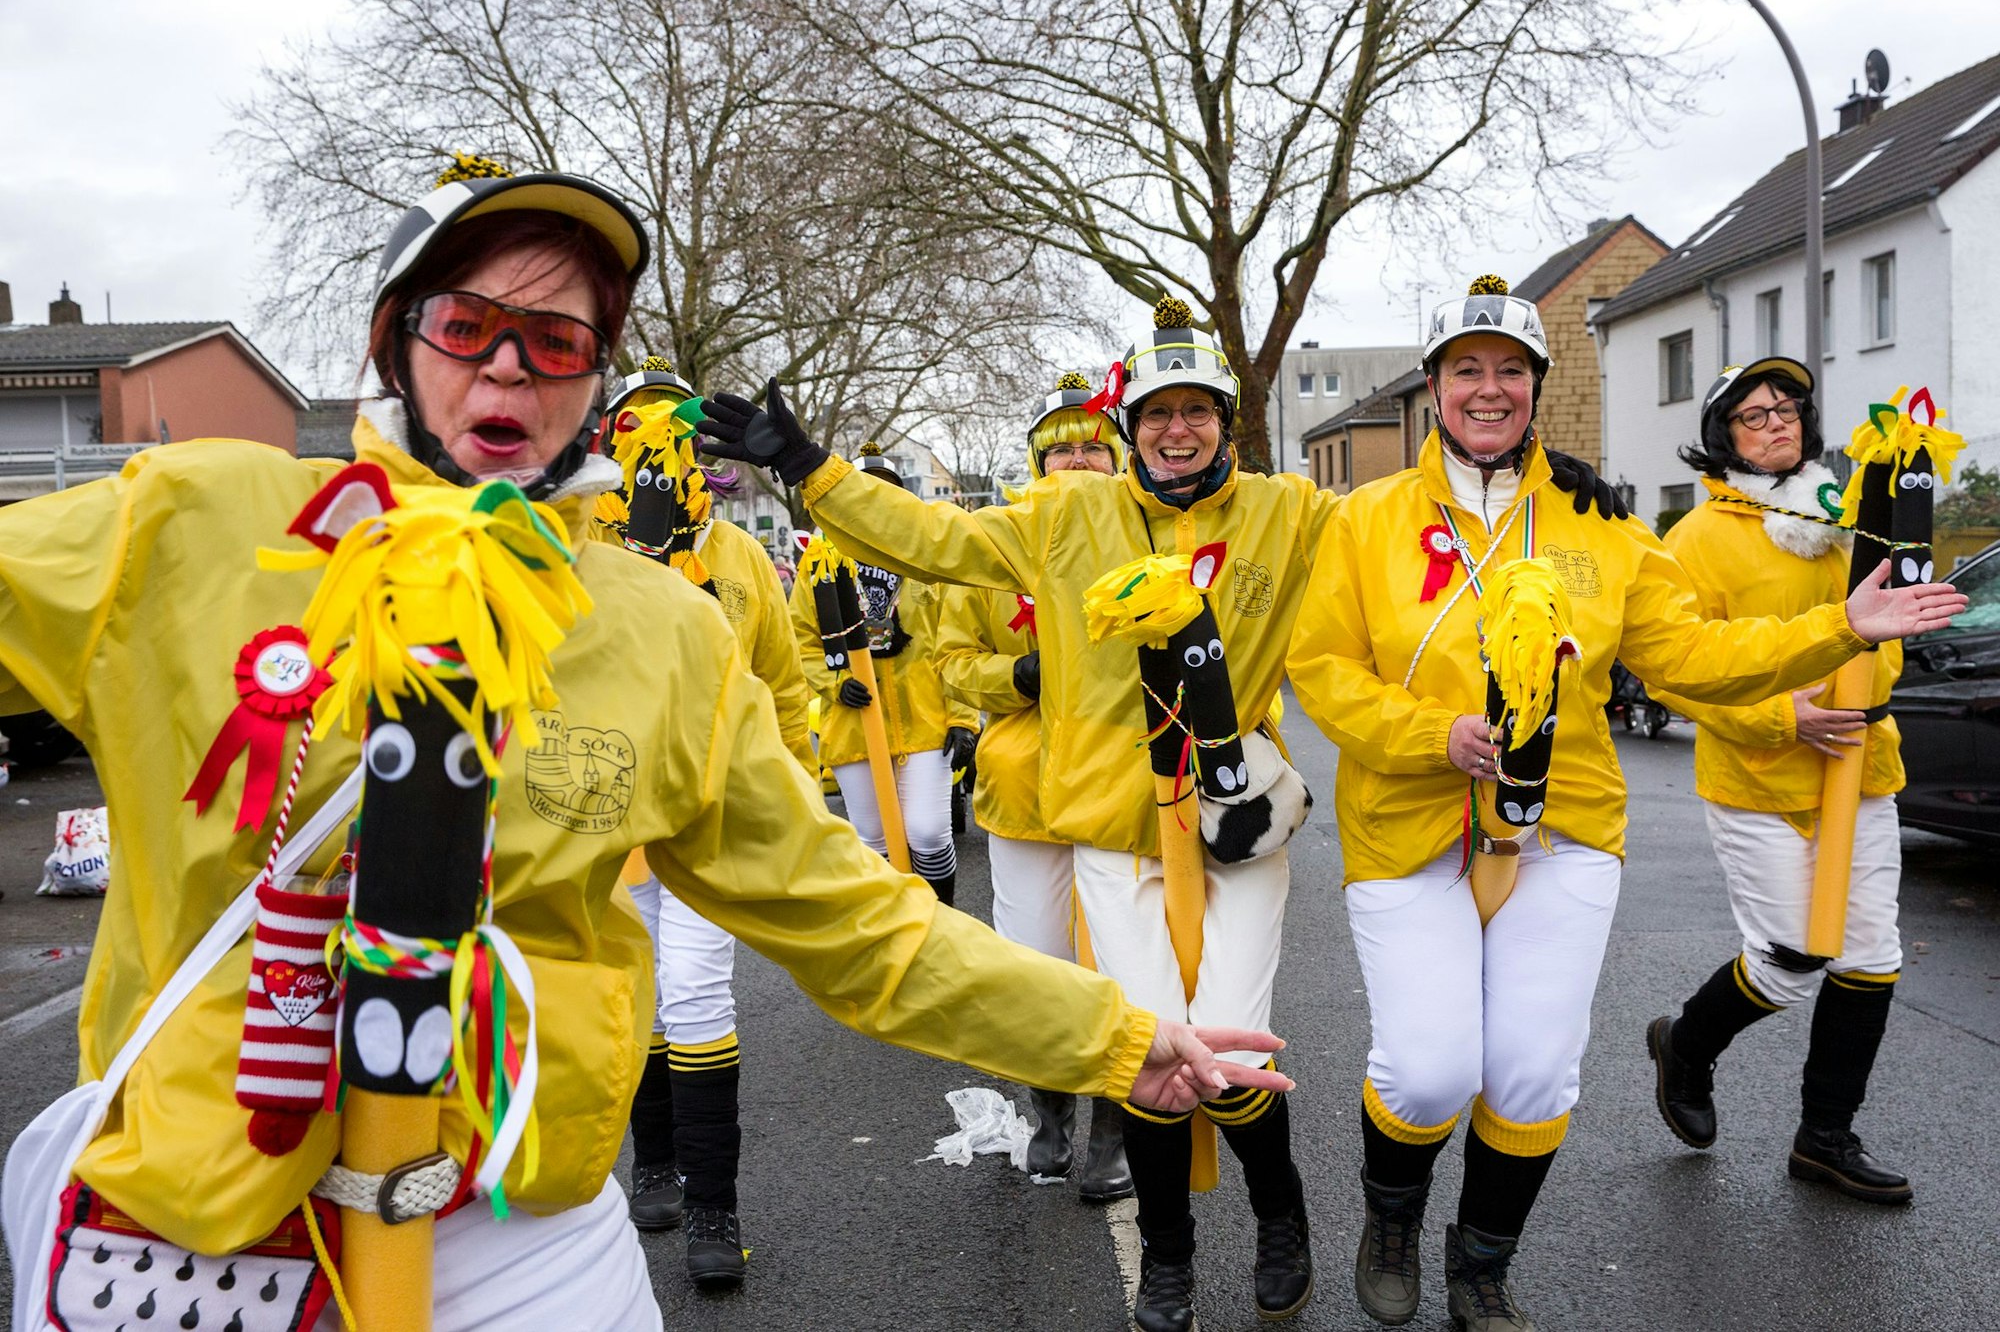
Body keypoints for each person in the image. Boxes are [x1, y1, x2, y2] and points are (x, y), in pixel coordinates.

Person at [0, 157, 1291, 1331]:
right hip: (209, 1206)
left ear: (596, 379)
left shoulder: (663, 630)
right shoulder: (196, 520)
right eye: (468, 324)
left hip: (517, 1223)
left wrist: (1114, 1034)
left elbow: (852, 921)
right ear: (395, 339)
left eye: (557, 339)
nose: (509, 367)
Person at [696, 291, 1625, 1330]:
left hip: (1239, 821)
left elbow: (1403, 524)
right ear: (1126, 427)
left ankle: (1282, 1216)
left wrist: (1546, 480)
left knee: (1234, 1049)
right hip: (1111, 824)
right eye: (1154, 414)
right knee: (1145, 1048)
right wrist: (814, 472)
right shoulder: (1063, 514)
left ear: (1225, 420)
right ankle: (1172, 1257)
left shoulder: (1290, 510)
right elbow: (929, 536)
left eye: (1195, 411)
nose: (1174, 431)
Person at [1284, 279, 1964, 1331]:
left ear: (1535, 389)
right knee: (1426, 1068)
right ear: (1430, 388)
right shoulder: (1363, 519)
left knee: (1530, 1070)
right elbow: (1319, 663)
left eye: (1509, 369)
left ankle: (1481, 1264)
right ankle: (1391, 1220)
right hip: (1409, 820)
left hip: (1565, 824)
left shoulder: (1597, 522)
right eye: (1464, 367)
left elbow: (1689, 652)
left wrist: (1840, 624)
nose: (1487, 387)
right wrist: (1434, 735)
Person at [1644, 358, 1914, 1204]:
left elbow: (1889, 626)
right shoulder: (1694, 540)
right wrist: (1777, 718)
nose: (1776, 425)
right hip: (1758, 776)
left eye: (1787, 410)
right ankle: (1686, 1045)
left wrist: (1867, 692)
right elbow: (1670, 673)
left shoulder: (1848, 521)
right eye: (1754, 415)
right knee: (1795, 958)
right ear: (1723, 434)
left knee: (1871, 955)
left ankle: (1824, 1138)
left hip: (1861, 768)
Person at [594, 355, 817, 1284]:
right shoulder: (575, 540)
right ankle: (653, 1161)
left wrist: (800, 788)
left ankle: (715, 1210)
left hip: (709, 805)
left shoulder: (736, 558)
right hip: (605, 815)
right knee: (637, 991)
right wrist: (638, 555)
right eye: (639, 430)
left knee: (696, 990)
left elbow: (783, 680)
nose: (662, 445)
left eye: (677, 429)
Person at [934, 371, 1134, 1200]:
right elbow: (950, 663)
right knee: (1039, 964)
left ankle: (1118, 1134)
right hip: (1024, 792)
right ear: (1038, 464)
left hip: (1125, 791)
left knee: (1122, 962)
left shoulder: (1145, 533)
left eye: (1094, 445)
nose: (1080, 460)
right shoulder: (991, 544)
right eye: (1063, 450)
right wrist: (1018, 673)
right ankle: (1051, 1117)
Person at [790, 441, 977, 905]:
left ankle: (942, 926)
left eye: (884, 491)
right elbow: (800, 637)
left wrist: (962, 718)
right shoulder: (818, 563)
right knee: (872, 843)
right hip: (854, 724)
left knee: (928, 833)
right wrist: (835, 684)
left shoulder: (926, 559)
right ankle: (894, 937)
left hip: (925, 722)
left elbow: (958, 639)